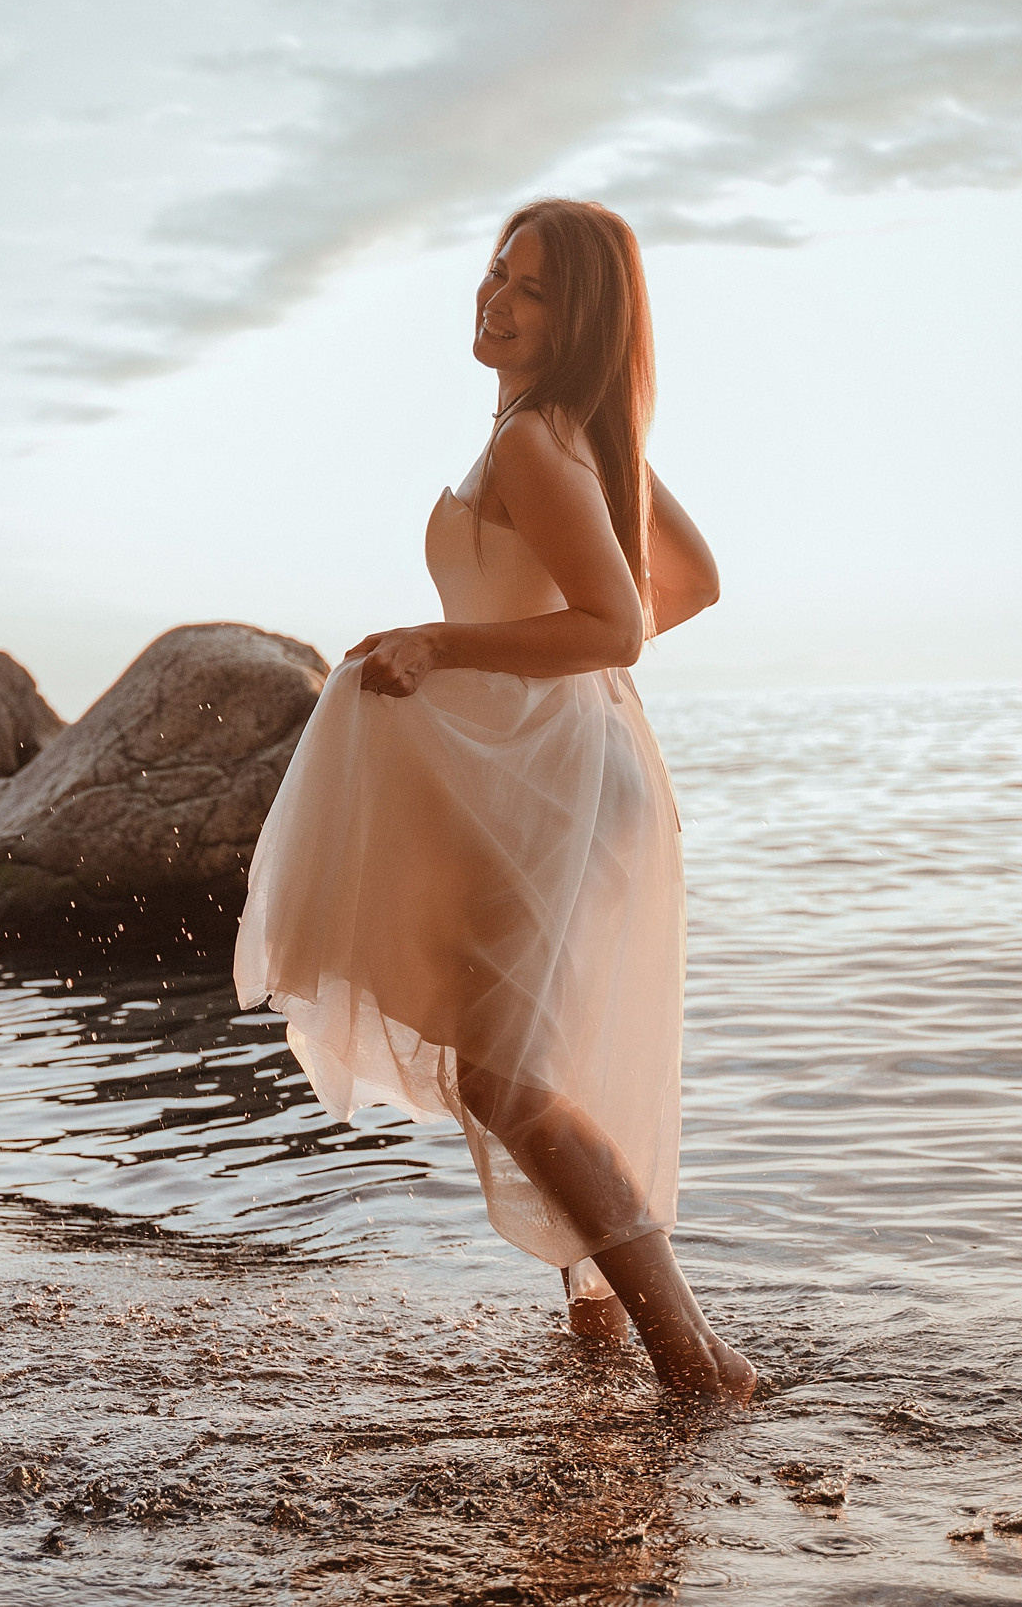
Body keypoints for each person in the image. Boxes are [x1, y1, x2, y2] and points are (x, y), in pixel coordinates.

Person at [234, 197, 751, 1401]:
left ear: (581, 318)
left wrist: (454, 647)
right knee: (520, 1060)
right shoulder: (572, 430)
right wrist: (549, 676)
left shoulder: (535, 439)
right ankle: (599, 1337)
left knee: (507, 1073)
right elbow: (688, 588)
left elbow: (621, 617)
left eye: (528, 287)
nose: (494, 299)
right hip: (544, 765)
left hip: (546, 776)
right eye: (492, 272)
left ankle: (694, 1360)